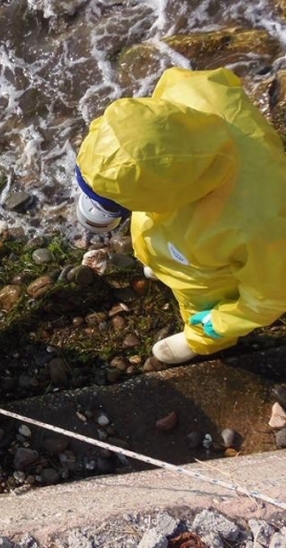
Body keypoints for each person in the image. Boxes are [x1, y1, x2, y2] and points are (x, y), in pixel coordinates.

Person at [74, 66, 286, 365]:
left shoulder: (256, 224)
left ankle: (201, 341)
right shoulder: (190, 94)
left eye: (115, 202)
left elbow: (269, 296)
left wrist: (218, 321)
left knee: (199, 300)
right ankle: (159, 264)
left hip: (206, 277)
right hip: (172, 224)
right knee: (158, 234)